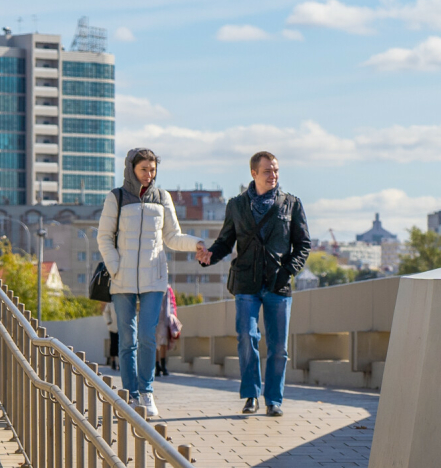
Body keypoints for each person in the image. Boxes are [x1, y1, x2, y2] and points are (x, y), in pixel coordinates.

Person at [196, 151, 311, 417]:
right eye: (268, 171)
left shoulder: (291, 204)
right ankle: (251, 394)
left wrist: (289, 270)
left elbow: (303, 244)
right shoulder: (236, 205)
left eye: (276, 170)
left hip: (277, 284)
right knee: (247, 336)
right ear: (254, 174)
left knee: (278, 347)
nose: (274, 175)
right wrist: (209, 256)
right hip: (246, 281)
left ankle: (273, 399)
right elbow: (226, 241)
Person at [97, 148, 203, 418]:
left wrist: (197, 244)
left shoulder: (162, 197)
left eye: (152, 169)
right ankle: (130, 395)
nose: (148, 174)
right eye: (143, 169)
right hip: (122, 281)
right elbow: (104, 237)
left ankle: (147, 392)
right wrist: (116, 267)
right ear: (131, 168)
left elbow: (172, 237)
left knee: (147, 336)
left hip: (154, 280)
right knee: (127, 339)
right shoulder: (117, 197)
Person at [155, 285, 179, 377]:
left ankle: (163, 365)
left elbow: (171, 303)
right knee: (156, 343)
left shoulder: (167, 288)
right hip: (156, 318)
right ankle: (158, 366)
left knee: (163, 342)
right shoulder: (155, 286)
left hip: (164, 318)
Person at [103, 301, 119, 370]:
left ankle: (120, 363)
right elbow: (106, 312)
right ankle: (113, 361)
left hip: (122, 328)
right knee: (113, 344)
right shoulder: (110, 302)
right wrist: (108, 321)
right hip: (113, 327)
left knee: (122, 345)